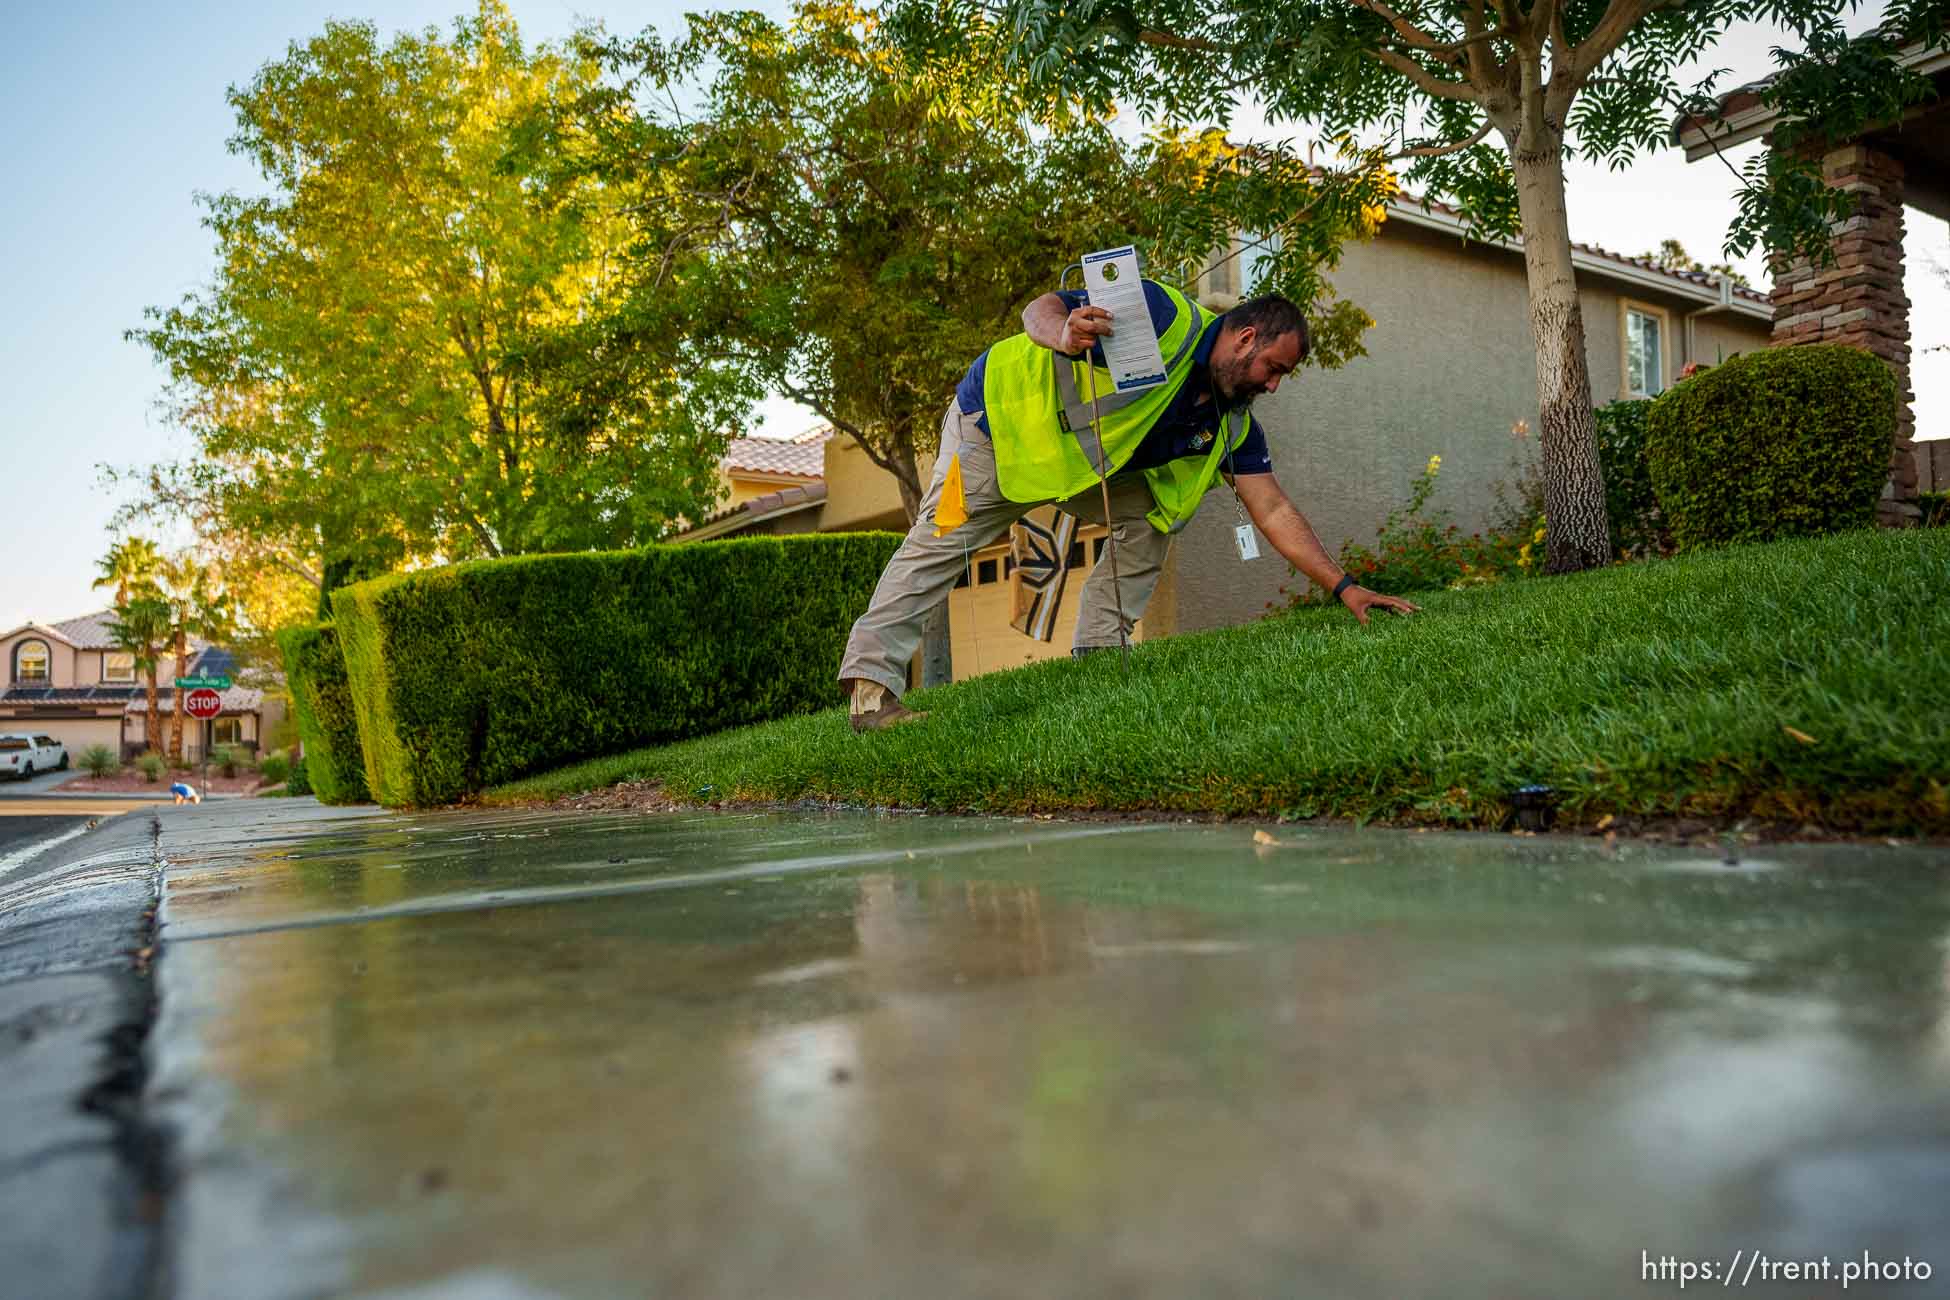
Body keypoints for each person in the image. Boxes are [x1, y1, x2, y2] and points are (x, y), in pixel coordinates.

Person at [838, 276, 1420, 732]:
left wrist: (1346, 587)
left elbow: (1273, 510)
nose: (1273, 387)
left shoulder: (1230, 425)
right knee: (937, 549)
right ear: (1246, 339)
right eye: (1274, 370)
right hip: (995, 428)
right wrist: (1064, 332)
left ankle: (1096, 656)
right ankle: (871, 695)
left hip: (1078, 465)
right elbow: (1040, 307)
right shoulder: (1160, 316)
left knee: (1156, 510)